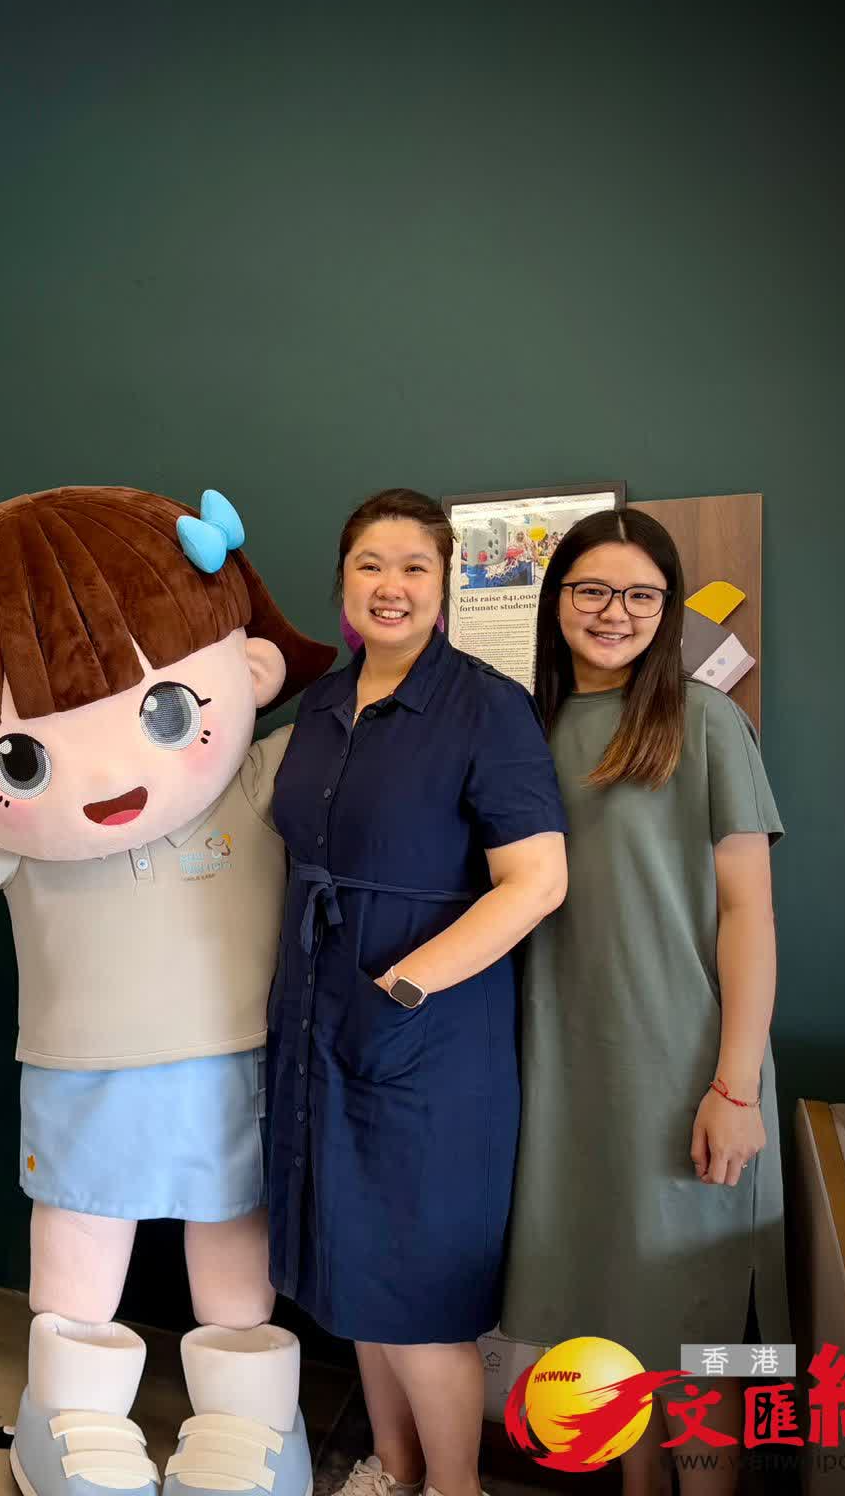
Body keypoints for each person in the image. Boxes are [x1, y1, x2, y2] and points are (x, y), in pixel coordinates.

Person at [0, 486, 339, 1496]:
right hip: (80, 1066)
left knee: (232, 1233)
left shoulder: (255, 782)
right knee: (81, 1228)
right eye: (24, 756)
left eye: (161, 713)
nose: (108, 771)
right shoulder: (8, 835)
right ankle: (70, 1411)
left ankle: (248, 1417)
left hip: (232, 1061)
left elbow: (350, 753)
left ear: (251, 673)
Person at [263, 489, 567, 1496]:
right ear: (342, 582)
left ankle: (451, 1487)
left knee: (417, 1293)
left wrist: (400, 989)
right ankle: (389, 1471)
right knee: (352, 1267)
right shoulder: (320, 706)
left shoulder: (486, 707)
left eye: (413, 567)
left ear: (446, 584)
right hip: (318, 1013)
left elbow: (537, 882)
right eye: (369, 565)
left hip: (428, 1032)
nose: (389, 586)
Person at [502, 509, 785, 1496]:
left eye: (639, 595)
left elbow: (748, 914)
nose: (612, 612)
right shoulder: (524, 728)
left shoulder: (705, 722)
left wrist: (734, 1087)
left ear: (666, 610)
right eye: (590, 589)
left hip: (689, 1066)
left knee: (699, 1336)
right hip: (564, 1066)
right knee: (608, 1324)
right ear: (556, 601)